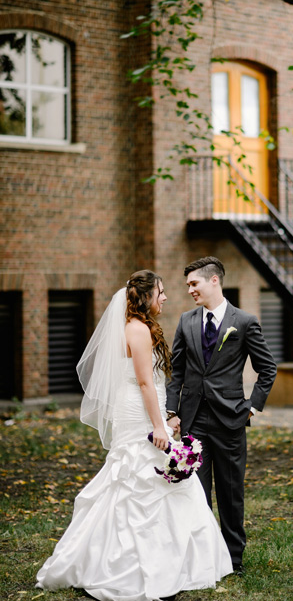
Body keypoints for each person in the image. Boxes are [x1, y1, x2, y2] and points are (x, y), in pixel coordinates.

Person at [36, 271, 234, 600]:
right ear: (145, 296)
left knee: (148, 479)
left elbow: (150, 384)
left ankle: (173, 559)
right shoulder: (137, 329)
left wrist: (165, 418)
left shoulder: (137, 326)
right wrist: (158, 425)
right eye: (161, 292)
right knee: (137, 477)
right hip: (139, 412)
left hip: (147, 408)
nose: (166, 297)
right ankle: (123, 564)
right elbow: (144, 383)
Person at [164, 256, 277, 574]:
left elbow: (267, 368)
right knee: (194, 490)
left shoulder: (244, 321)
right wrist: (172, 411)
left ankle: (233, 559)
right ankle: (198, 555)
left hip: (231, 419)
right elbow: (177, 371)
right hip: (193, 419)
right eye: (187, 285)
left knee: (230, 490)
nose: (189, 290)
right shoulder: (186, 321)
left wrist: (251, 407)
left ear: (214, 280)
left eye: (194, 283)